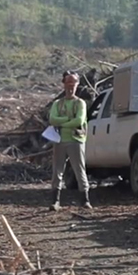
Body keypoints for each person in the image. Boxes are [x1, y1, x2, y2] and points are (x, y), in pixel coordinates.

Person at [49, 70, 91, 210]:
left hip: (76, 139)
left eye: (73, 82)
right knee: (57, 171)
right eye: (68, 82)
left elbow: (79, 121)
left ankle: (85, 200)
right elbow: (52, 119)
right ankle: (55, 201)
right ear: (63, 84)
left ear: (78, 84)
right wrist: (68, 120)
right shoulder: (57, 103)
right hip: (59, 140)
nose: (70, 85)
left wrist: (61, 123)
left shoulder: (80, 103)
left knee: (79, 170)